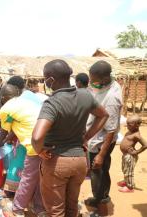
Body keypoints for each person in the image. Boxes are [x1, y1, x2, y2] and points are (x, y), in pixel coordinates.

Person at [31, 59, 109, 217]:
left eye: (45, 78)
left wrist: (39, 151)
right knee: (72, 207)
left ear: (50, 79)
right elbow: (104, 115)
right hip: (80, 161)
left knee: (56, 211)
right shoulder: (85, 95)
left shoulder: (52, 103)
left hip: (57, 163)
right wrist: (85, 138)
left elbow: (37, 137)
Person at [0, 84, 46, 217]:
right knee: (40, 178)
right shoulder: (26, 101)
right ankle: (39, 208)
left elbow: (4, 130)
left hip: (35, 146)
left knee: (27, 178)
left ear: (3, 97)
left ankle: (17, 209)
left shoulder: (6, 109)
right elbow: (15, 125)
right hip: (48, 144)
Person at [85, 60, 123, 210]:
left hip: (102, 142)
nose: (91, 81)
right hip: (96, 137)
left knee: (98, 173)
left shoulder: (112, 98)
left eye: (93, 78)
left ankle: (100, 205)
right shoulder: (105, 84)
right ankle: (103, 197)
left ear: (104, 78)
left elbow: (111, 129)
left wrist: (101, 154)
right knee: (102, 172)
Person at [118, 115, 147, 193]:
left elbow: (145, 145)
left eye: (129, 124)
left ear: (137, 125)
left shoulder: (136, 135)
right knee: (124, 169)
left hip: (130, 156)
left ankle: (130, 187)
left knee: (129, 171)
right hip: (125, 155)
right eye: (127, 124)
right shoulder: (130, 131)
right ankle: (126, 181)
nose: (127, 126)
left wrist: (136, 152)